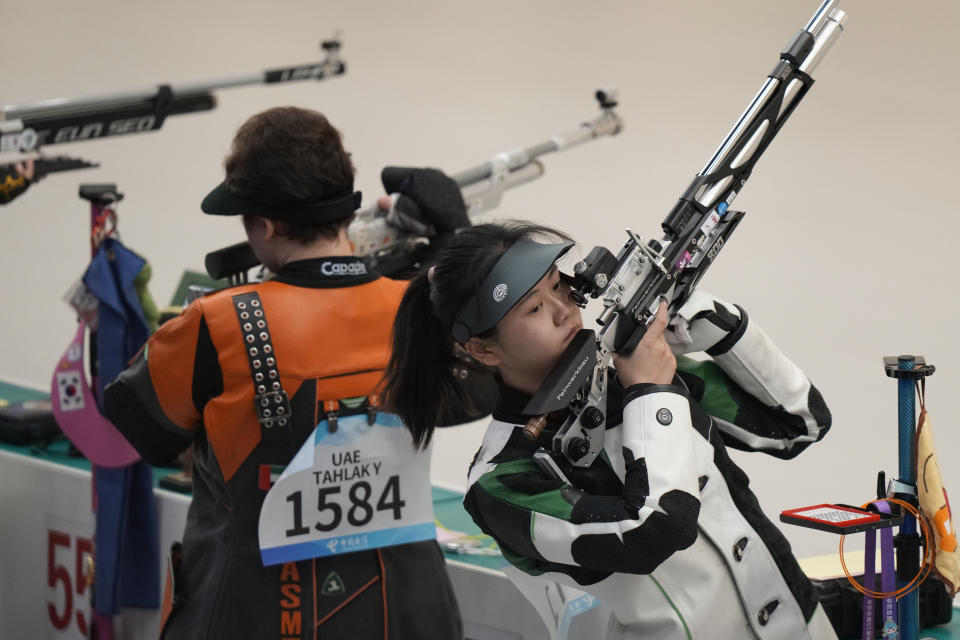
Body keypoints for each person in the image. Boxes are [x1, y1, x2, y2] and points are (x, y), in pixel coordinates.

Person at [104, 106, 465, 639]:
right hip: (406, 611)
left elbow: (141, 424)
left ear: (266, 225)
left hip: (255, 613)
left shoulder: (219, 322)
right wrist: (452, 264)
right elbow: (478, 391)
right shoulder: (420, 311)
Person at [382, 222, 839, 639]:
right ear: (481, 350)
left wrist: (722, 328)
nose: (564, 311)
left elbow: (799, 425)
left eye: (559, 287)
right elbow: (653, 532)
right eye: (534, 308)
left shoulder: (630, 371)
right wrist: (653, 393)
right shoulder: (501, 482)